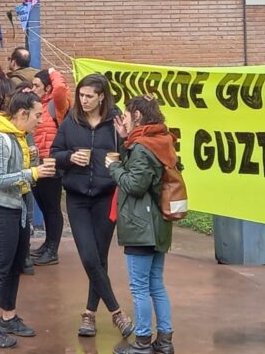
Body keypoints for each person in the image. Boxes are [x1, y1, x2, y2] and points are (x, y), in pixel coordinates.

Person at [50, 73, 134, 340]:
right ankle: (117, 312)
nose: (83, 100)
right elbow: (54, 153)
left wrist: (123, 144)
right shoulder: (71, 121)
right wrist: (70, 157)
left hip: (106, 196)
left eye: (89, 96)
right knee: (88, 256)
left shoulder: (115, 122)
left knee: (99, 257)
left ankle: (89, 313)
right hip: (77, 198)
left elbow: (132, 156)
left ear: (102, 97)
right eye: (81, 95)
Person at [0, 89, 56, 348]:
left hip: (17, 207)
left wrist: (32, 164)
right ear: (22, 114)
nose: (40, 121)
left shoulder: (18, 136)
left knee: (14, 266)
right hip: (0, 209)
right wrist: (33, 173)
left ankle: (8, 317)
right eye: (37, 115)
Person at [106, 95, 176, 354]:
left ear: (137, 115)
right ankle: (165, 340)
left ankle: (143, 341)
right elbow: (142, 170)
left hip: (140, 225)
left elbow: (135, 184)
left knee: (139, 287)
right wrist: (126, 139)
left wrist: (114, 167)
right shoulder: (161, 140)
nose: (123, 120)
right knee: (156, 283)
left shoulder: (142, 147)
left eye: (126, 115)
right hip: (158, 223)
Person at [29, 68, 71, 266]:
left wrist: (53, 72)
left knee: (52, 207)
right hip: (36, 162)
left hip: (51, 162)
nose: (33, 88)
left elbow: (60, 89)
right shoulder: (36, 106)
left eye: (36, 85)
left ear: (47, 88)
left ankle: (53, 250)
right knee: (43, 205)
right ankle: (47, 244)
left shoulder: (57, 105)